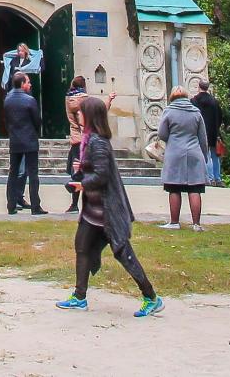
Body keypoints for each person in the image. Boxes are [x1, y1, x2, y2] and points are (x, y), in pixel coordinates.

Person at [56, 94, 163, 317]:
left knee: (123, 253)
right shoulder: (90, 140)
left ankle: (151, 297)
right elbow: (93, 168)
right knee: (82, 247)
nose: (78, 115)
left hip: (107, 211)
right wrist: (81, 167)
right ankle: (79, 296)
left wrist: (81, 184)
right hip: (93, 212)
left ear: (91, 115)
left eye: (81, 111)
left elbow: (102, 176)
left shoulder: (99, 142)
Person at [155, 85, 209, 231]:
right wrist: (204, 156)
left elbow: (162, 134)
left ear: (172, 97)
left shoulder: (169, 111)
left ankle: (174, 222)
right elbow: (203, 138)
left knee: (174, 188)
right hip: (193, 153)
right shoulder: (196, 112)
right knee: (195, 188)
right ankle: (196, 224)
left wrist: (172, 139)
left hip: (175, 153)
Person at [3, 72, 45, 214]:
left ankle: (11, 204)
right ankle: (35, 206)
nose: (30, 84)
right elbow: (37, 121)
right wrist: (34, 132)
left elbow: (6, 121)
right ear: (22, 84)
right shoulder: (30, 100)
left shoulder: (7, 99)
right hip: (30, 140)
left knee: (13, 172)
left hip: (15, 140)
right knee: (33, 174)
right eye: (28, 82)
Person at [190, 78, 225, 186]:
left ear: (198, 87)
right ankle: (217, 178)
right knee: (215, 155)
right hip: (214, 132)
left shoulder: (194, 101)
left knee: (206, 155)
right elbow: (220, 117)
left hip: (200, 132)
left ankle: (209, 178)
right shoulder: (214, 101)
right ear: (207, 87)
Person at [63, 75, 89, 212]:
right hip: (84, 139)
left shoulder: (69, 99)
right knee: (85, 171)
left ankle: (74, 204)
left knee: (77, 169)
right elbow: (83, 119)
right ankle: (84, 203)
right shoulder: (84, 100)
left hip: (75, 138)